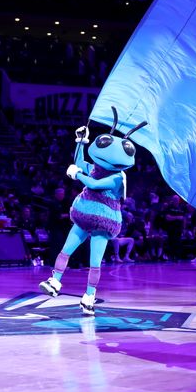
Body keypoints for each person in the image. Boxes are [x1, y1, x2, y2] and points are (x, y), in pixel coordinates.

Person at [39, 111, 148, 316]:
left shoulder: (117, 177)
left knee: (94, 263)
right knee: (65, 250)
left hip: (102, 221)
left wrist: (78, 175)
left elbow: (95, 184)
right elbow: (80, 161)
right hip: (84, 215)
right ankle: (55, 281)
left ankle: (89, 297)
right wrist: (81, 141)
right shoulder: (96, 167)